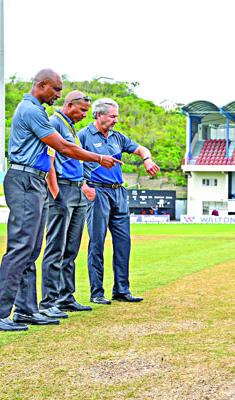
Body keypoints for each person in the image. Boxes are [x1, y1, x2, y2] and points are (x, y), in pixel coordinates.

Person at [0, 69, 121, 332]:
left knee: (31, 249)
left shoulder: (36, 110)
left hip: (33, 180)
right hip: (25, 180)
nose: (58, 95)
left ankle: (25, 310)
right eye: (55, 90)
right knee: (21, 247)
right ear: (41, 85)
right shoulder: (32, 110)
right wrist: (99, 158)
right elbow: (63, 148)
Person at [80, 98, 160, 305]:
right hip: (97, 192)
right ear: (99, 115)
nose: (116, 120)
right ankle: (97, 292)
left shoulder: (117, 137)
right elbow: (68, 160)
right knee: (96, 243)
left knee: (123, 243)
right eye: (112, 116)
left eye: (116, 116)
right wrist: (83, 185)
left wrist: (147, 159)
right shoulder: (83, 136)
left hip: (119, 193)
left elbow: (141, 149)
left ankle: (122, 290)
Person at [39, 91, 94, 318]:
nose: (84, 115)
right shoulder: (55, 124)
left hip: (77, 189)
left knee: (71, 248)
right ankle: (48, 302)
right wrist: (55, 193)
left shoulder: (70, 126)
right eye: (82, 110)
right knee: (55, 247)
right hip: (62, 189)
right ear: (69, 105)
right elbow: (49, 159)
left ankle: (65, 297)